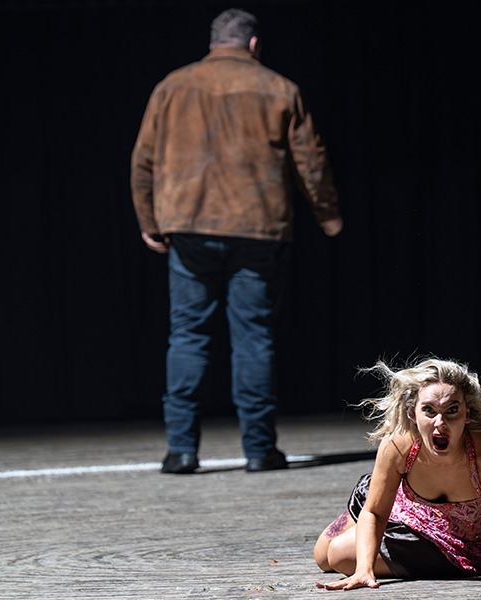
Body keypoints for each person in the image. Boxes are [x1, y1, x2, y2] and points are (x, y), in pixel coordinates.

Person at [130, 8, 343, 474]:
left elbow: (143, 160)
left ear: (213, 42)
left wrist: (150, 220)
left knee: (188, 334)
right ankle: (260, 450)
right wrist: (327, 213)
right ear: (253, 44)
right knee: (254, 336)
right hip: (258, 228)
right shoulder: (280, 88)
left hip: (189, 224)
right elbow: (311, 160)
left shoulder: (172, 86)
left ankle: (181, 450)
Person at [313, 358, 481, 591]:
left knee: (339, 555)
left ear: (467, 414)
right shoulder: (398, 446)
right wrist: (364, 570)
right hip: (409, 510)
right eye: (429, 411)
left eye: (452, 411)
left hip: (467, 546)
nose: (440, 423)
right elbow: (374, 512)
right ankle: (375, 545)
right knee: (322, 556)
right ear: (413, 414)